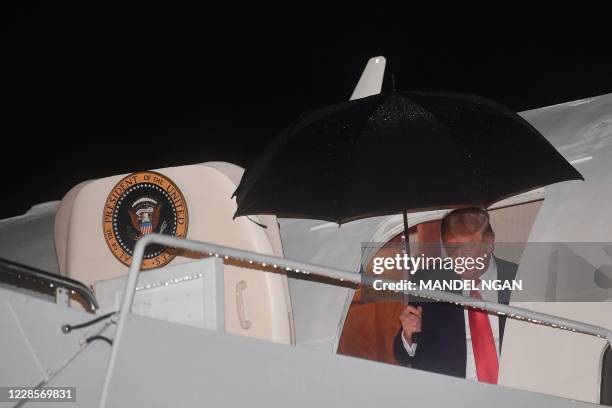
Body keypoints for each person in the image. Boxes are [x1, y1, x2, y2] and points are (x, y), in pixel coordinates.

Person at [393, 207, 518, 384]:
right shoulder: (427, 284)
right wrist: (408, 335)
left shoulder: (519, 278)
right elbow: (404, 355)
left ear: (489, 243)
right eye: (453, 251)